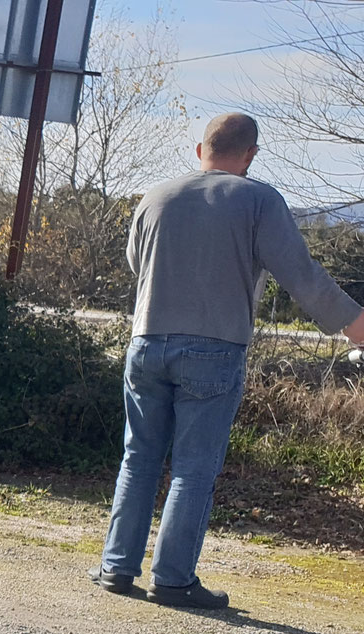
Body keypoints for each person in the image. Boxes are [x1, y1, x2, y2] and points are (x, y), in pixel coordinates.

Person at [93, 112, 364, 608]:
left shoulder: (155, 196)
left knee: (139, 458)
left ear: (201, 151)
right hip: (213, 347)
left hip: (147, 341)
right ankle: (172, 579)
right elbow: (300, 274)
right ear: (250, 155)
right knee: (194, 469)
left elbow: (138, 264)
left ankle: (116, 567)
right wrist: (354, 324)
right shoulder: (259, 200)